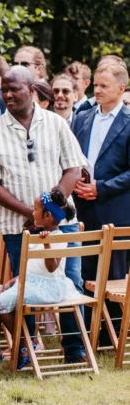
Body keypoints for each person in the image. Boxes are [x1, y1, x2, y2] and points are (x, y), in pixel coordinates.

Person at [0, 65, 89, 365]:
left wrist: (49, 212)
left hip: (62, 224)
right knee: (23, 289)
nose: (8, 94)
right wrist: (30, 213)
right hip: (17, 226)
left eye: (14, 89)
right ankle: (26, 350)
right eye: (4, 89)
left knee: (72, 283)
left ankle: (75, 350)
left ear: (31, 90)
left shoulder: (55, 124)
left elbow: (73, 169)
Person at [73, 60, 130, 341]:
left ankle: (112, 336)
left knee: (113, 273)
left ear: (121, 88)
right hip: (83, 204)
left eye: (104, 86)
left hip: (115, 208)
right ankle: (86, 333)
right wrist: (78, 184)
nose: (97, 90)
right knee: (85, 270)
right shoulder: (82, 118)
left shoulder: (129, 123)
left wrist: (101, 187)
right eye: (95, 84)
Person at [0, 189, 80, 368]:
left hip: (49, 288)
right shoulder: (36, 236)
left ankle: (24, 344)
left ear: (47, 215)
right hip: (32, 283)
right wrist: (14, 280)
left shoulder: (58, 237)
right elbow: (33, 268)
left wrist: (46, 243)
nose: (32, 212)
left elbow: (51, 267)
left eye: (36, 209)